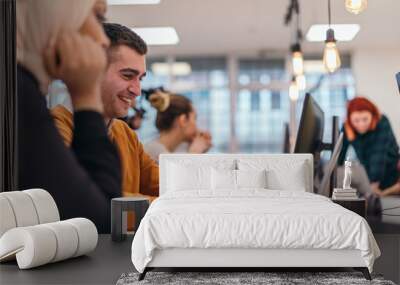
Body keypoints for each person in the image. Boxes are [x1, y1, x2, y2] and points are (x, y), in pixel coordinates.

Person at [17, 0, 121, 233]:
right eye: (97, 17)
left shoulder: (21, 89)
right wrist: (86, 95)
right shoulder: (18, 94)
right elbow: (98, 221)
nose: (103, 41)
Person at [51, 23, 159, 205]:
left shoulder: (124, 133)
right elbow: (90, 199)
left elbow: (163, 183)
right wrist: (161, 205)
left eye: (140, 78)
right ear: (93, 71)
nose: (137, 91)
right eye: (127, 75)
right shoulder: (55, 127)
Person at [338, 97, 400, 196]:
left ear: (372, 115)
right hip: (368, 172)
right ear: (350, 119)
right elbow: (339, 154)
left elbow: (378, 156)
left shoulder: (381, 122)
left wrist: (373, 187)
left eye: (365, 119)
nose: (361, 124)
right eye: (356, 120)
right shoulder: (347, 127)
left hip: (389, 172)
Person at [144, 91, 212, 163]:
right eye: (194, 118)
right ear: (183, 120)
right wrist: (195, 153)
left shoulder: (165, 149)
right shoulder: (155, 152)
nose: (196, 126)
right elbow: (179, 173)